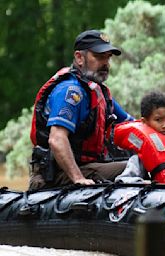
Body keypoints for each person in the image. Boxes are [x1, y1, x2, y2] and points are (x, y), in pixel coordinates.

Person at [29, 29, 134, 190]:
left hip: (90, 167)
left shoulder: (99, 93)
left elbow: (132, 126)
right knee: (134, 167)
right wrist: (78, 178)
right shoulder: (71, 92)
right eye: (99, 57)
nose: (105, 63)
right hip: (59, 174)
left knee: (140, 161)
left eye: (108, 57)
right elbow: (56, 140)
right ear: (79, 57)